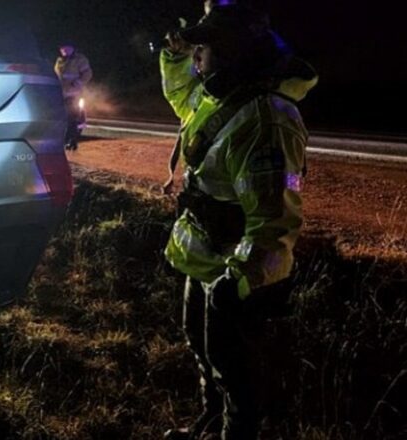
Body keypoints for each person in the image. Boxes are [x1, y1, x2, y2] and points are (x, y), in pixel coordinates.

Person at [158, 4, 318, 440]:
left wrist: (240, 281)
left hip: (233, 273)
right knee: (203, 349)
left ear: (234, 50)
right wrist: (174, 57)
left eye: (204, 46)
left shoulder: (266, 119)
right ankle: (209, 425)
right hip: (205, 261)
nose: (196, 55)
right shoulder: (219, 94)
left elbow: (274, 221)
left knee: (233, 370)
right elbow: (182, 97)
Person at [54, 42, 92, 151]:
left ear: (72, 48)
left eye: (66, 48)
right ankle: (66, 140)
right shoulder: (59, 61)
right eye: (62, 48)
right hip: (61, 95)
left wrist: (77, 83)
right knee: (63, 119)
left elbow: (88, 74)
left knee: (72, 118)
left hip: (74, 94)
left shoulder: (80, 59)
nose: (64, 50)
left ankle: (71, 141)